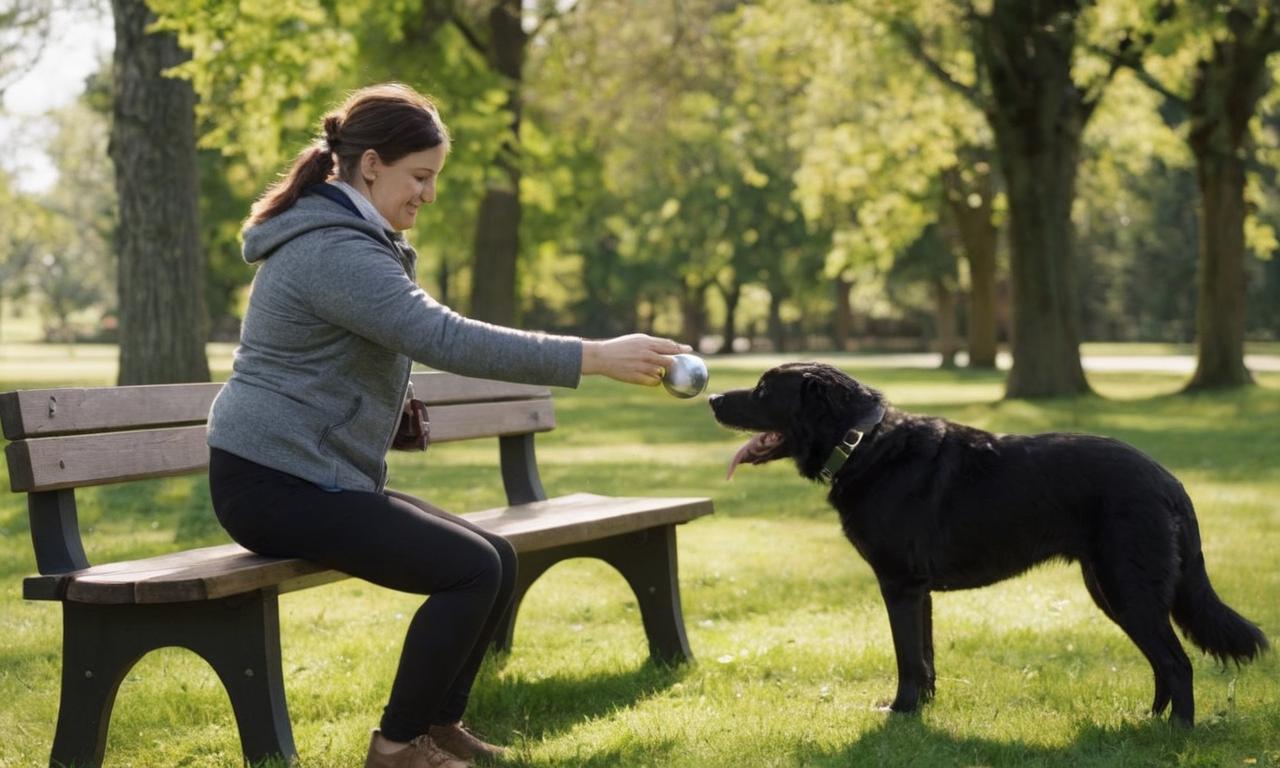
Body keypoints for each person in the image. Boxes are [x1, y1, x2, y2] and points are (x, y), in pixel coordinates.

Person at [206, 82, 689, 768]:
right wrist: (595, 356)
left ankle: (437, 726)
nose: (428, 195)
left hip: (313, 474)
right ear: (371, 164)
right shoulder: (333, 250)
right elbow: (446, 338)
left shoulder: (351, 235)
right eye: (421, 176)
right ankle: (396, 745)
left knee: (496, 557)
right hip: (272, 484)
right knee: (465, 569)